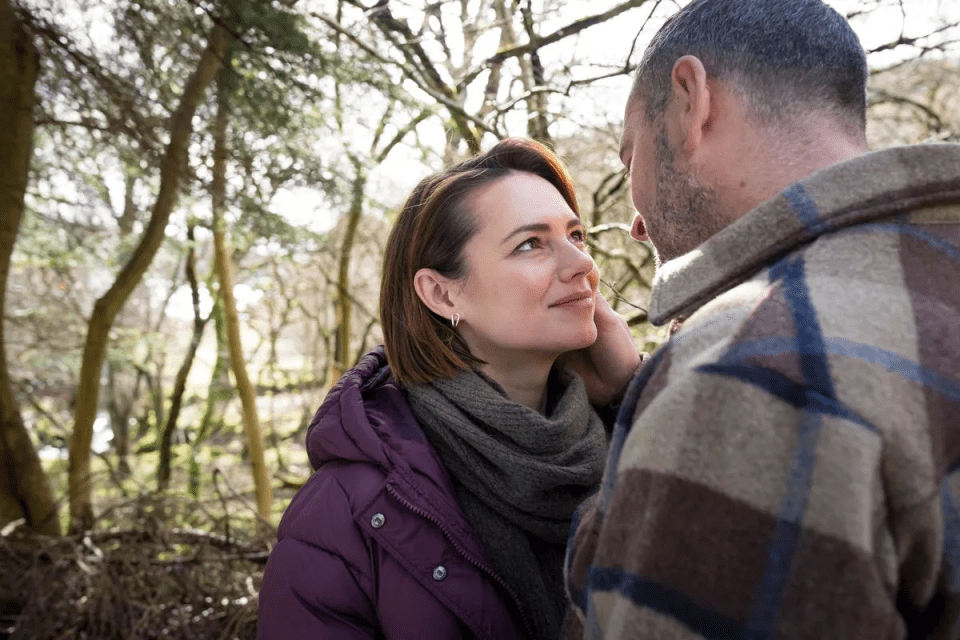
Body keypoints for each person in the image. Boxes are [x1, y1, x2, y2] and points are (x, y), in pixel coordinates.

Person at [565, 0, 960, 638]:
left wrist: (690, 382)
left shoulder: (749, 369)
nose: (635, 223)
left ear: (691, 101)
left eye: (629, 155)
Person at [257, 138, 641, 640]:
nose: (584, 266)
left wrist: (633, 393)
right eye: (531, 243)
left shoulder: (631, 443)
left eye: (576, 236)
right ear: (441, 293)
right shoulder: (344, 519)